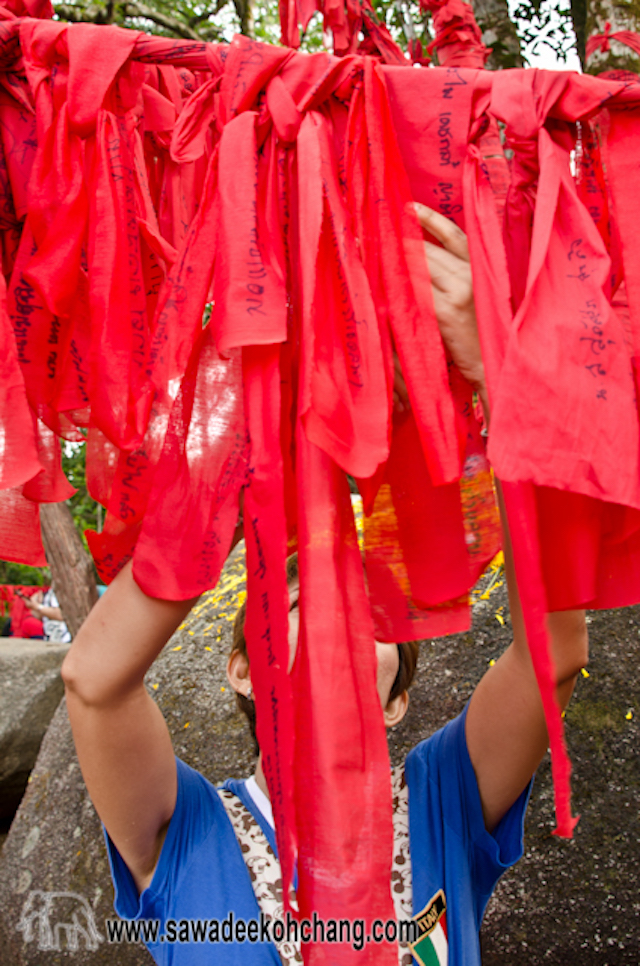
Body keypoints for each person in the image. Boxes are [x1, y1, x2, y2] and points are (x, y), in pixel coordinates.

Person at [60, 206, 589, 965]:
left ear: (399, 698)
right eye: (301, 606)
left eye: (370, 623)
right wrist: (238, 448)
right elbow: (93, 681)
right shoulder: (187, 830)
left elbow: (557, 651)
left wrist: (495, 378)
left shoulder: (445, 799)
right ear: (241, 671)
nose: (340, 633)